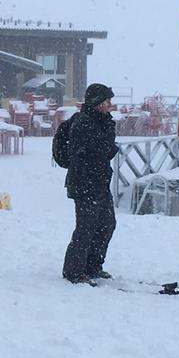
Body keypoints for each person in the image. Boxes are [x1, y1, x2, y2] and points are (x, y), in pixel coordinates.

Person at [62, 83, 119, 284]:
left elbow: (102, 149)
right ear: (97, 103)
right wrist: (110, 148)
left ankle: (93, 266)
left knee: (106, 224)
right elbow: (93, 152)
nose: (110, 104)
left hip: (99, 182)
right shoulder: (84, 123)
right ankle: (74, 272)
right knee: (86, 228)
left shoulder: (102, 121)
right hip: (85, 184)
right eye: (107, 101)